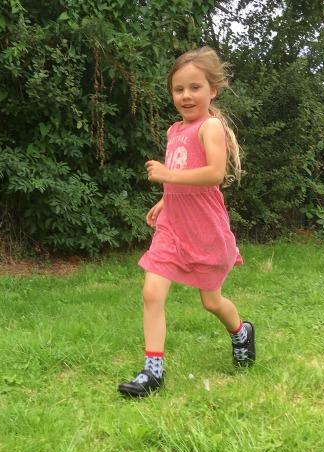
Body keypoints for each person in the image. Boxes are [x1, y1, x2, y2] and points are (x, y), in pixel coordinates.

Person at [118, 47, 255, 398]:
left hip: (205, 230)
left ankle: (241, 332)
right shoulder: (173, 131)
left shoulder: (211, 127)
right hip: (173, 229)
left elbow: (213, 174)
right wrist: (165, 200)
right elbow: (180, 174)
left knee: (211, 302)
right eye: (179, 89)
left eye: (195, 87)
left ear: (214, 90)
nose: (186, 96)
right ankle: (153, 371)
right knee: (151, 292)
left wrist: (166, 177)